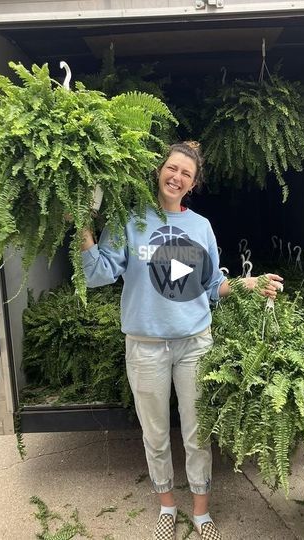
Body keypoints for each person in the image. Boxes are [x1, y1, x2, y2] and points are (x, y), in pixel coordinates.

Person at [80, 141, 283, 540]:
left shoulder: (201, 226)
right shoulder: (130, 219)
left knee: (197, 432)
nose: (177, 177)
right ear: (160, 170)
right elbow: (97, 273)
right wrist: (82, 228)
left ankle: (202, 511)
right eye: (172, 169)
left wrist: (250, 284)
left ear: (192, 183)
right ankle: (167, 506)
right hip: (145, 346)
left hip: (194, 344)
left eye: (186, 174)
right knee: (154, 434)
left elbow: (210, 287)